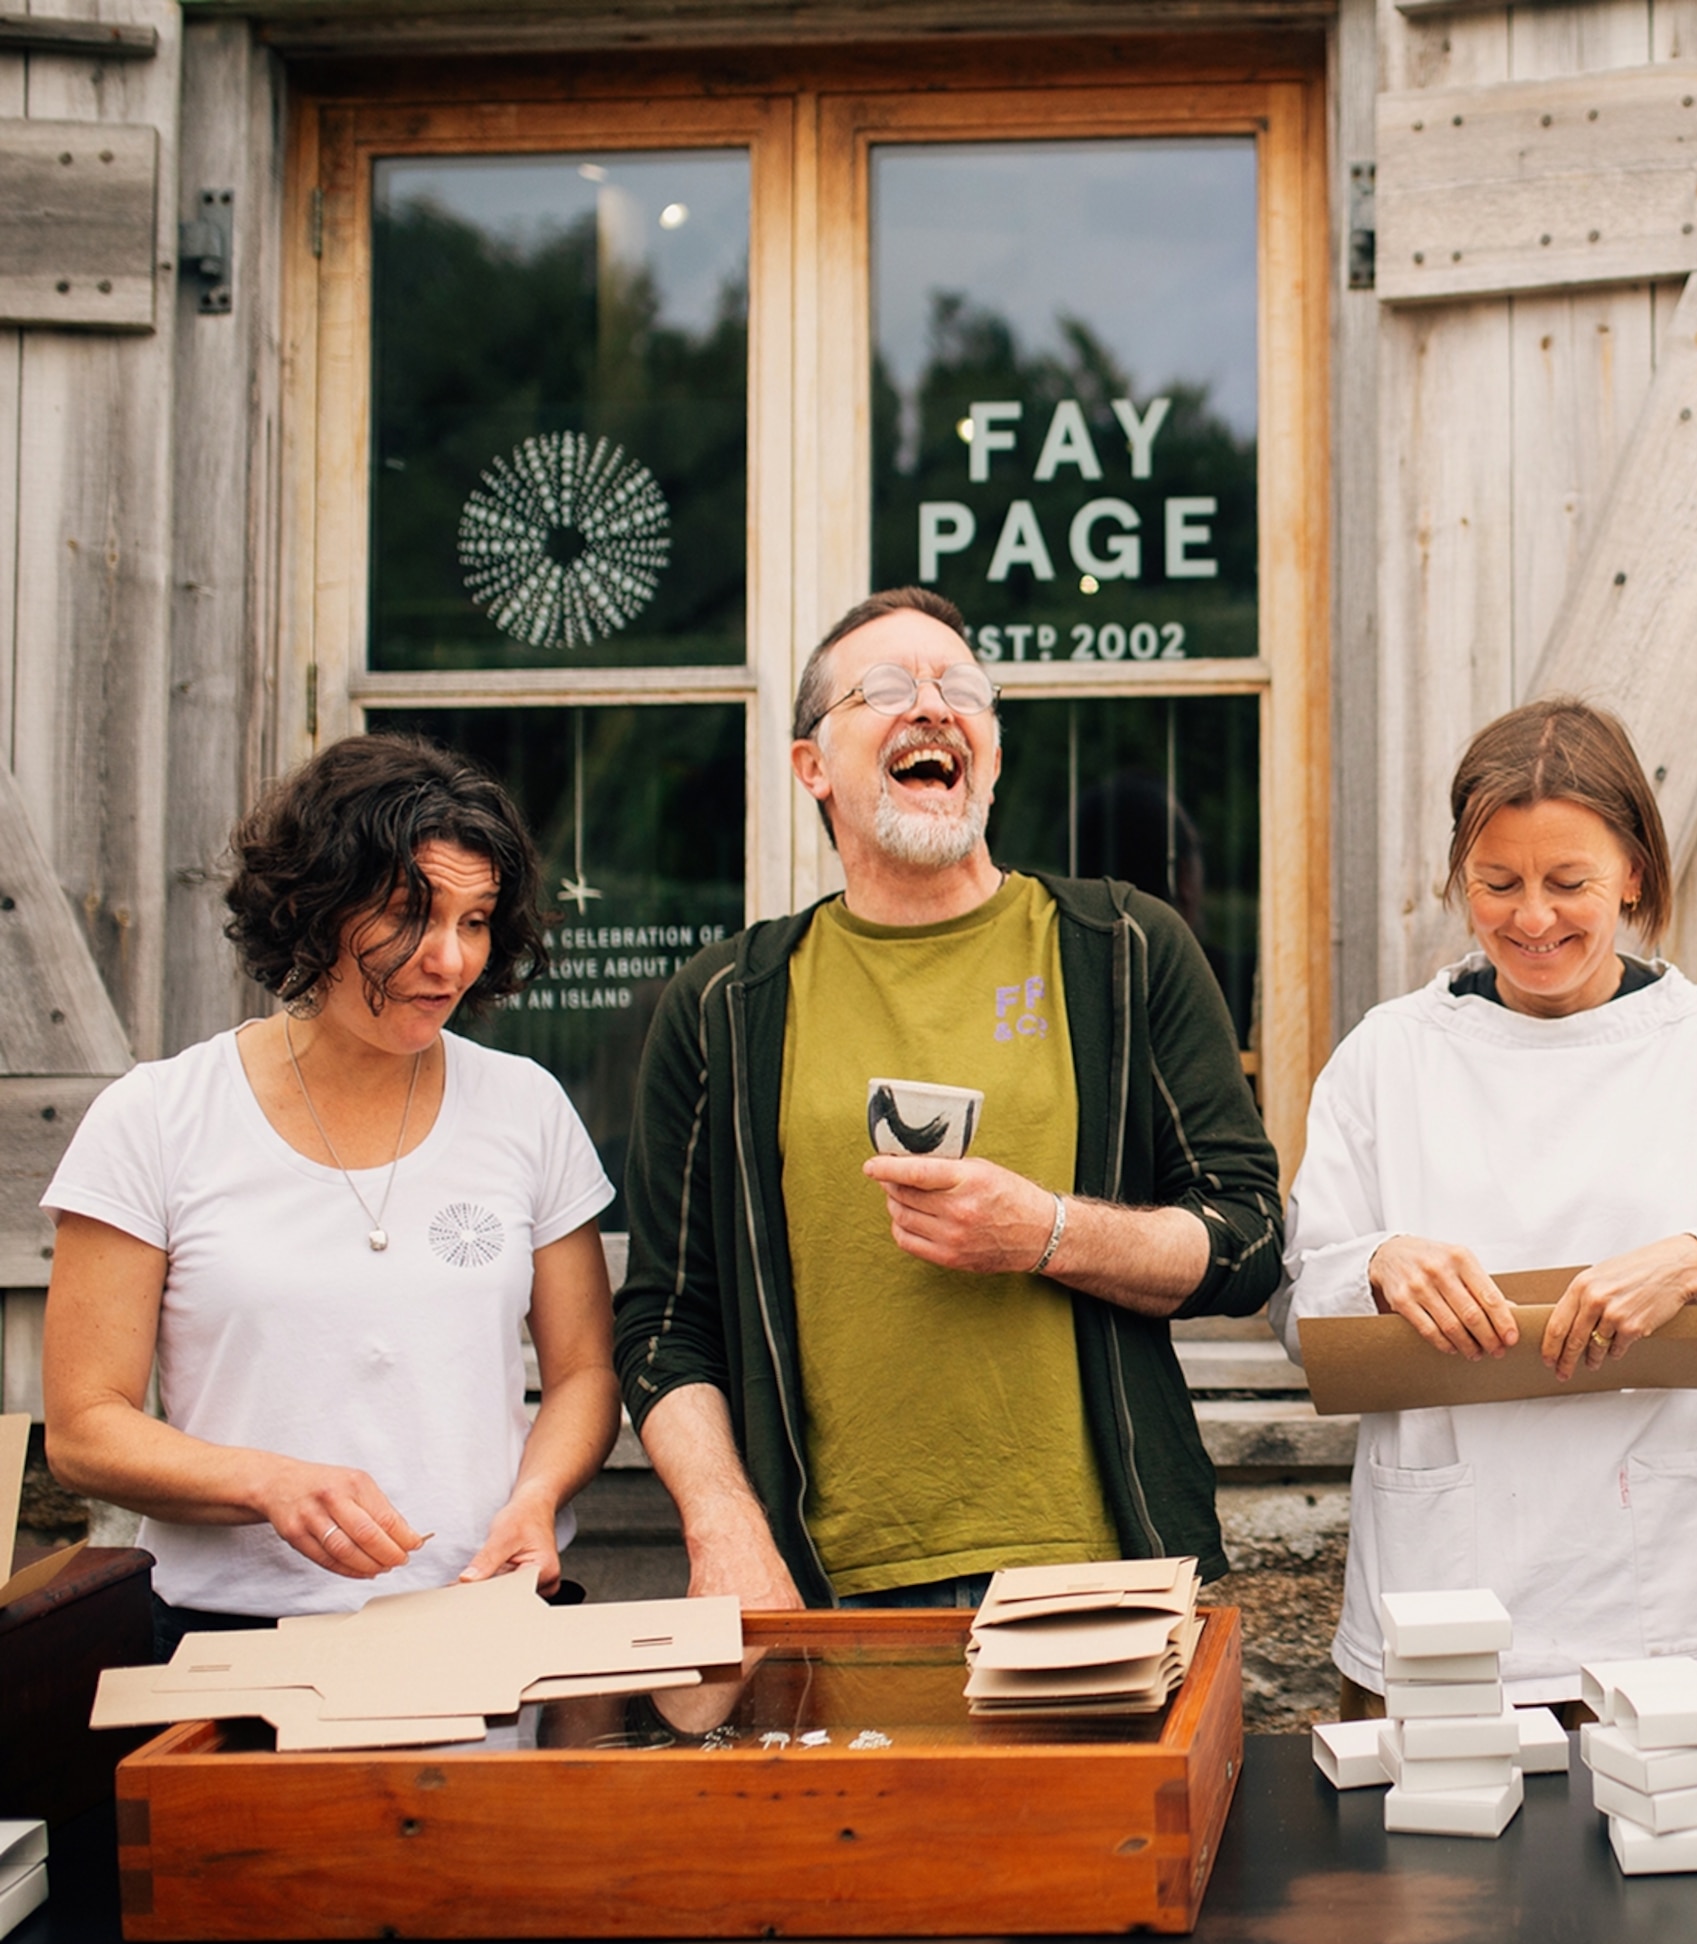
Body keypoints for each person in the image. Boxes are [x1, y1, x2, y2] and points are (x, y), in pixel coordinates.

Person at [612, 587, 1280, 1607]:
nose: (931, 705)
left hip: (1100, 1572)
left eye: (959, 687)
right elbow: (663, 1320)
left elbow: (1248, 1237)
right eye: (884, 688)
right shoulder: (725, 1003)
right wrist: (724, 1528)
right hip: (828, 1586)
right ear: (810, 765)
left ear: (993, 753)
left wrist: (1048, 1231)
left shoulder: (1120, 949)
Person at [1271, 697, 1697, 1710]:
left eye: (1568, 882)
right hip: (1442, 1599)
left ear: (1634, 871)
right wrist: (1372, 1263)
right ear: (1462, 878)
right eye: (1499, 883)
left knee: (1690, 1868)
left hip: (1678, 1612)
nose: (1532, 918)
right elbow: (1298, 1313)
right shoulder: (1386, 1057)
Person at [40, 734, 620, 1655]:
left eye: (475, 922)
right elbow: (84, 1429)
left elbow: (584, 1372)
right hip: (229, 1636)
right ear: (310, 909)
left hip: (484, 1620)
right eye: (408, 915)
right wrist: (266, 1482)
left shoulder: (525, 1109)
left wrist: (536, 1499)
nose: (449, 960)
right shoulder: (155, 1118)